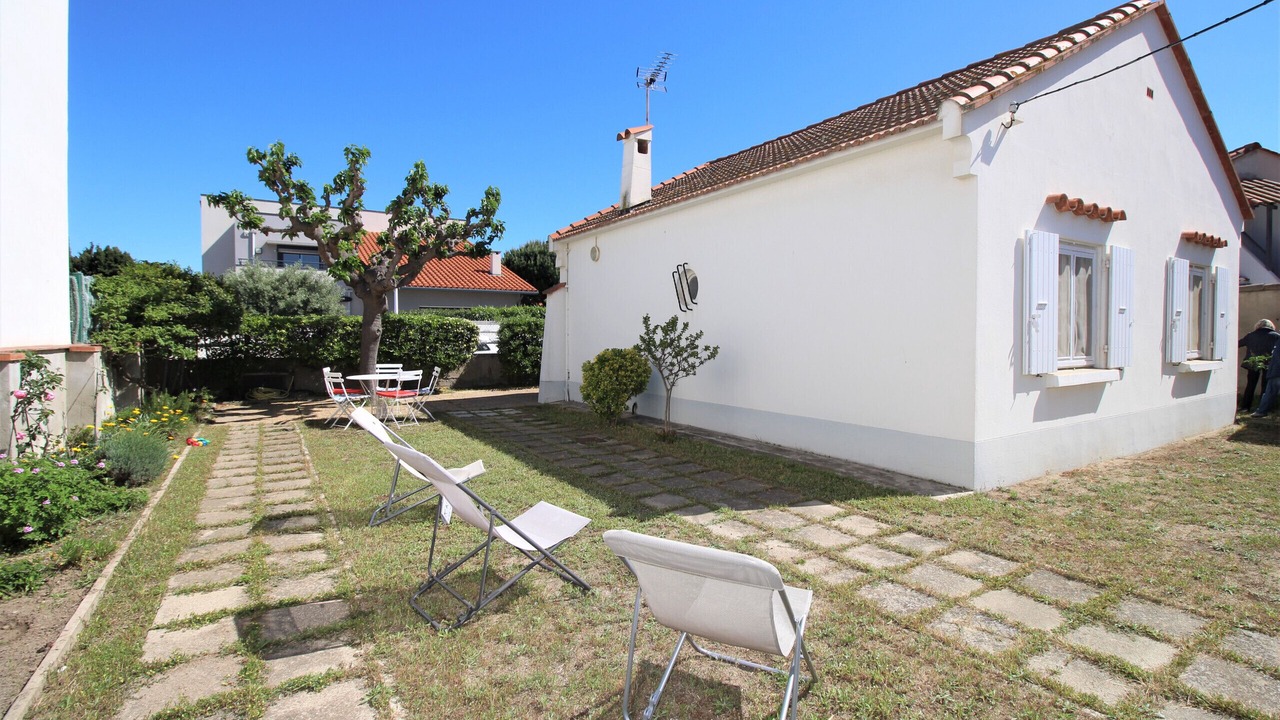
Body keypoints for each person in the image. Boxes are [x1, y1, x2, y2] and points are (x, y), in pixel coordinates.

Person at [1238, 319, 1279, 412]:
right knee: (1265, 386)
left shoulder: (1251, 335)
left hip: (1253, 362)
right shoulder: (1276, 336)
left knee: (1250, 385)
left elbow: (1238, 344)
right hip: (1269, 362)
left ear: (1258, 326)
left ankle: (1245, 407)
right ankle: (1262, 407)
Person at [1252, 333, 1280, 418]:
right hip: (1276, 370)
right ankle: (1261, 411)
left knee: (1270, 392)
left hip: (1275, 371)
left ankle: (1261, 411)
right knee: (1270, 391)